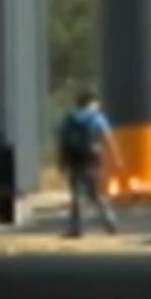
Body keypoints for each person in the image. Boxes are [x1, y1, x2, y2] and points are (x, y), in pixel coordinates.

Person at [51, 94, 118, 235]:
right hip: (92, 159)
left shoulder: (69, 119)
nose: (98, 105)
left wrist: (60, 162)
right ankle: (109, 222)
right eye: (97, 103)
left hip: (74, 160)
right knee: (95, 193)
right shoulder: (97, 118)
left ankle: (76, 228)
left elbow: (62, 142)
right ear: (91, 103)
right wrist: (116, 157)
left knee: (76, 195)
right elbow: (108, 138)